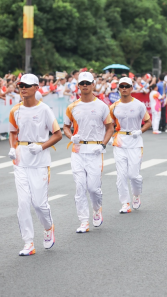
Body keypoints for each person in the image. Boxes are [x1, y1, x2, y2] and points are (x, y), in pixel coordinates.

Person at [8, 74, 62, 256]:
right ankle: (28, 242)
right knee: (23, 203)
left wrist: (41, 146)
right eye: (21, 85)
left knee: (38, 204)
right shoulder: (15, 110)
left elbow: (57, 134)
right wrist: (12, 148)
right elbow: (13, 132)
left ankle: (48, 227)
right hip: (21, 160)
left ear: (36, 88)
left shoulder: (45, 109)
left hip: (40, 160)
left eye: (27, 85)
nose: (23, 88)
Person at [63, 72, 114, 233]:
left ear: (93, 85)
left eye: (87, 83)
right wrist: (72, 137)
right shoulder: (72, 106)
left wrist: (103, 144)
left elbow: (110, 127)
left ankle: (97, 209)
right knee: (80, 187)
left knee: (93, 188)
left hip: (95, 150)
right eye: (82, 83)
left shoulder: (101, 106)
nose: (85, 85)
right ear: (78, 86)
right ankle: (84, 220)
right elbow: (65, 127)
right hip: (78, 151)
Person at [110, 77, 152, 213]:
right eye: (121, 86)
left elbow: (148, 122)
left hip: (135, 141)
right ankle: (125, 203)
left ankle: (136, 194)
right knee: (121, 175)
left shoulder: (139, 105)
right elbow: (110, 125)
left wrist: (139, 131)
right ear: (118, 88)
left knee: (134, 175)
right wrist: (111, 137)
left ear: (131, 88)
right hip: (120, 141)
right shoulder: (114, 106)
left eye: (127, 86)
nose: (124, 88)